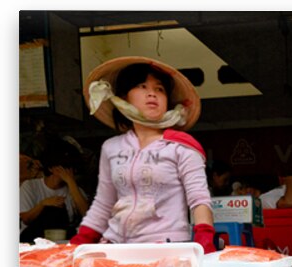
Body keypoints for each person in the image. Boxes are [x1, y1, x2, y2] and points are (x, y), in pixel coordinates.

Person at [70, 56, 216, 254]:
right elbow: (104, 203)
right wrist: (79, 242)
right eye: (142, 86)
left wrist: (204, 239)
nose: (152, 94)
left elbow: (199, 199)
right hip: (116, 247)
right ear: (123, 97)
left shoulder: (181, 147)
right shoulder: (111, 148)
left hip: (166, 248)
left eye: (159, 89)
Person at [19, 138, 90, 243]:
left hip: (62, 244)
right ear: (51, 168)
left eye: (71, 167)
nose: (68, 171)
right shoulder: (30, 186)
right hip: (33, 242)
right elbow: (26, 219)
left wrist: (71, 183)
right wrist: (43, 204)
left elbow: (88, 216)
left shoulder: (75, 190)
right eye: (64, 167)